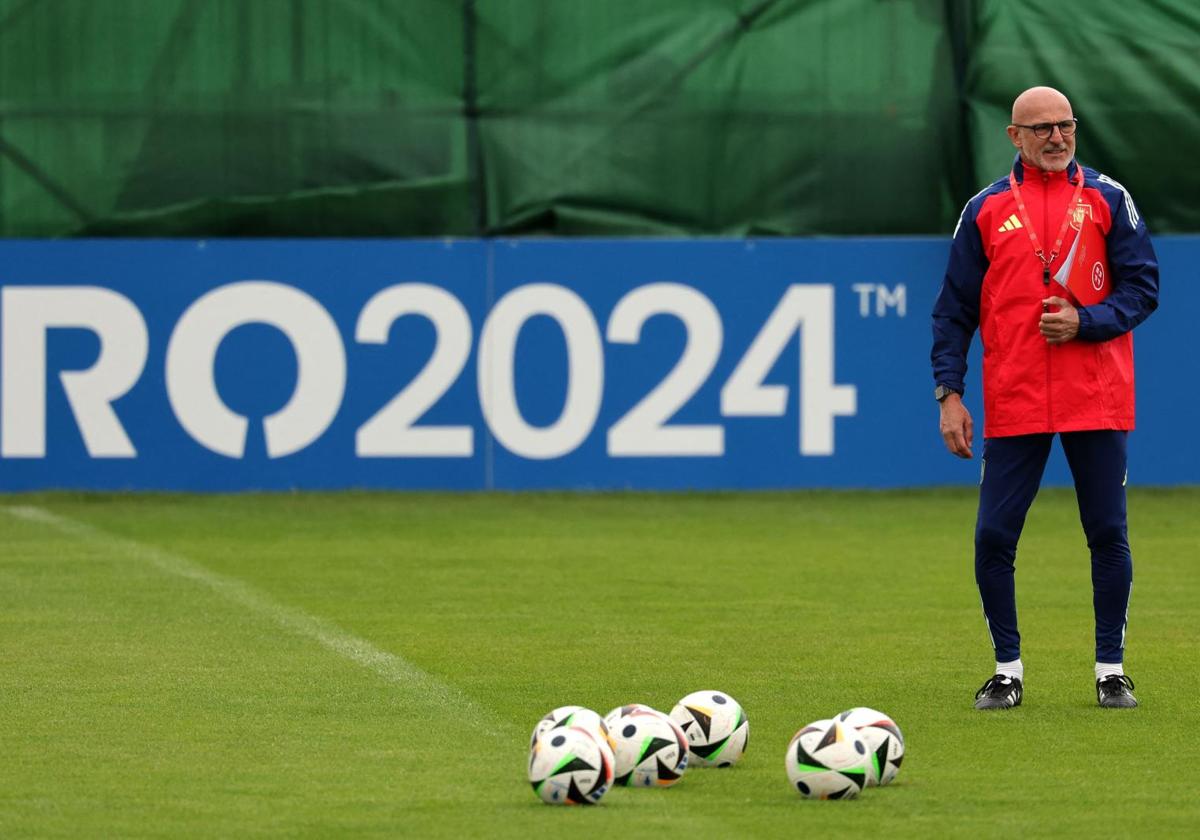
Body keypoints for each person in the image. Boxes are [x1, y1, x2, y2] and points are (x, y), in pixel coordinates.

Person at [930, 86, 1158, 710]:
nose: (1056, 138)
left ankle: (1111, 670)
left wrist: (1087, 323)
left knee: (1107, 531)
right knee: (994, 536)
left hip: (1096, 394)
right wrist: (950, 393)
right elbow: (953, 312)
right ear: (1014, 137)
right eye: (1041, 129)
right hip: (1017, 397)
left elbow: (1143, 288)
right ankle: (1007, 672)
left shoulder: (1110, 199)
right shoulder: (985, 210)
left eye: (1065, 126)